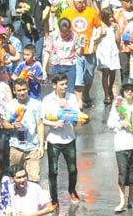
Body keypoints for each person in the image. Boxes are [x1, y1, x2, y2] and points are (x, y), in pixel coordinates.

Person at [42, 73, 83, 206]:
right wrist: (54, 123)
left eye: (66, 84)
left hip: (69, 138)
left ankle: (72, 190)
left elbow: (78, 117)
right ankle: (54, 198)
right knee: (53, 171)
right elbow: (42, 119)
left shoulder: (71, 98)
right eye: (62, 84)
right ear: (54, 85)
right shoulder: (47, 100)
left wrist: (67, 107)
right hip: (53, 140)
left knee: (72, 169)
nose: (65, 87)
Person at [108, 79, 133, 212]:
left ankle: (130, 198)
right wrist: (121, 124)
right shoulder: (118, 104)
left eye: (132, 89)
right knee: (123, 173)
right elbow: (110, 123)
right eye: (126, 89)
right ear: (123, 91)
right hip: (121, 144)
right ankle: (122, 201)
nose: (129, 92)